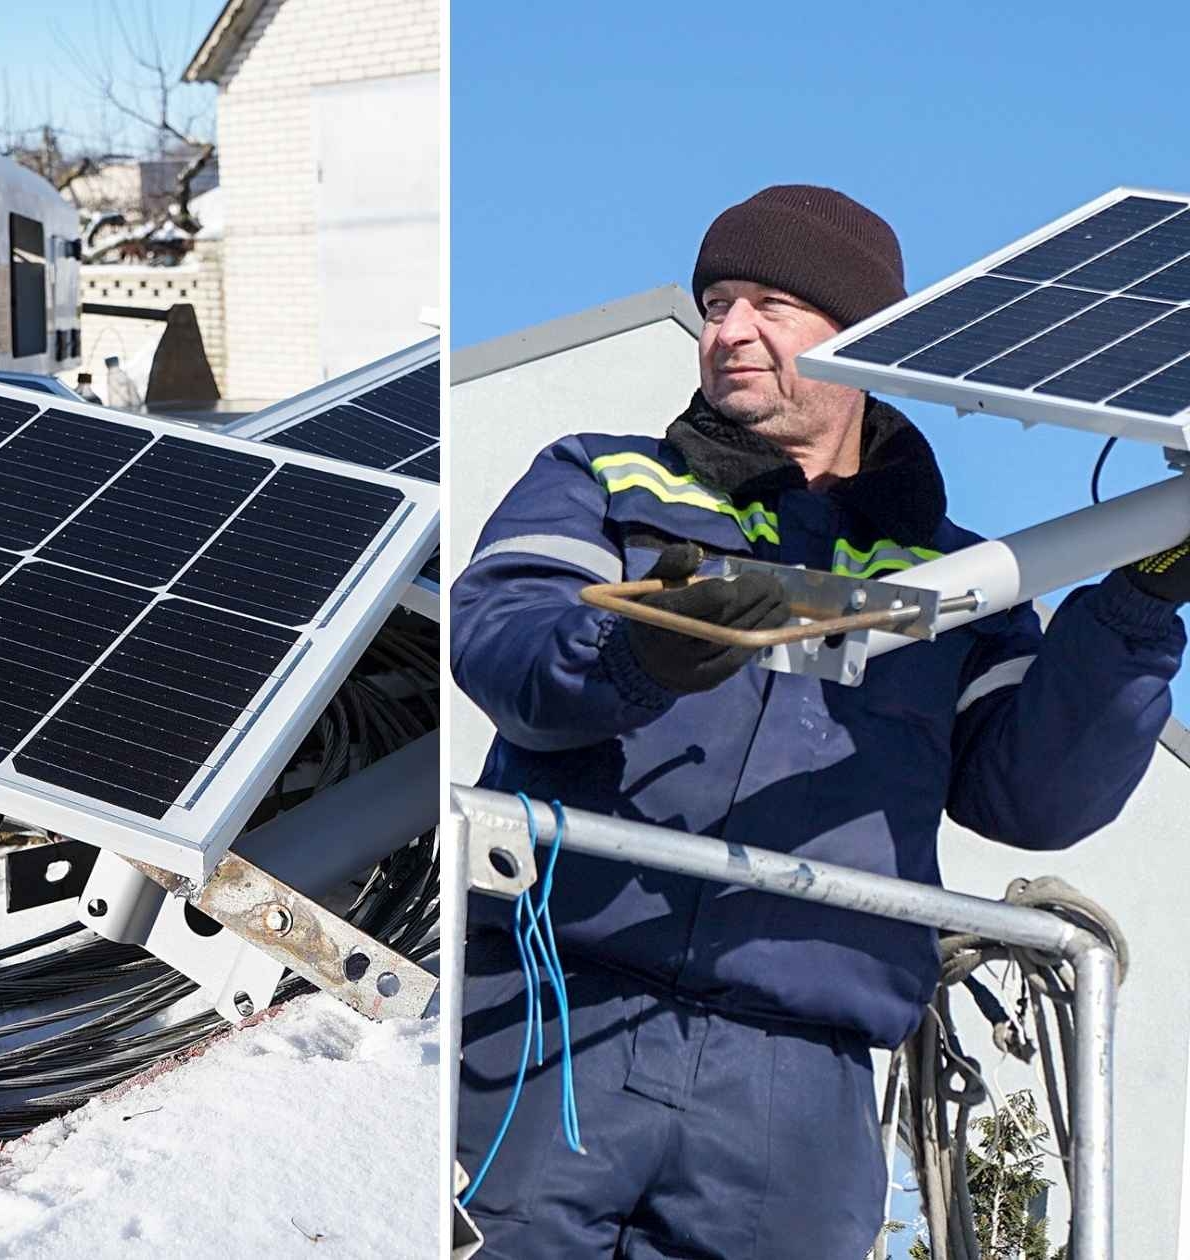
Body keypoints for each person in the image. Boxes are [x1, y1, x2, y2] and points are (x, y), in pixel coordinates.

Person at [450, 185, 1187, 1256]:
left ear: (860, 338)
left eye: (771, 305)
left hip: (797, 1094)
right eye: (716, 304)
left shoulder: (960, 577)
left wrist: (1135, 608)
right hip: (548, 1018)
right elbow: (503, 644)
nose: (728, 330)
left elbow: (1032, 798)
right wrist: (636, 652)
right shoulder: (602, 479)